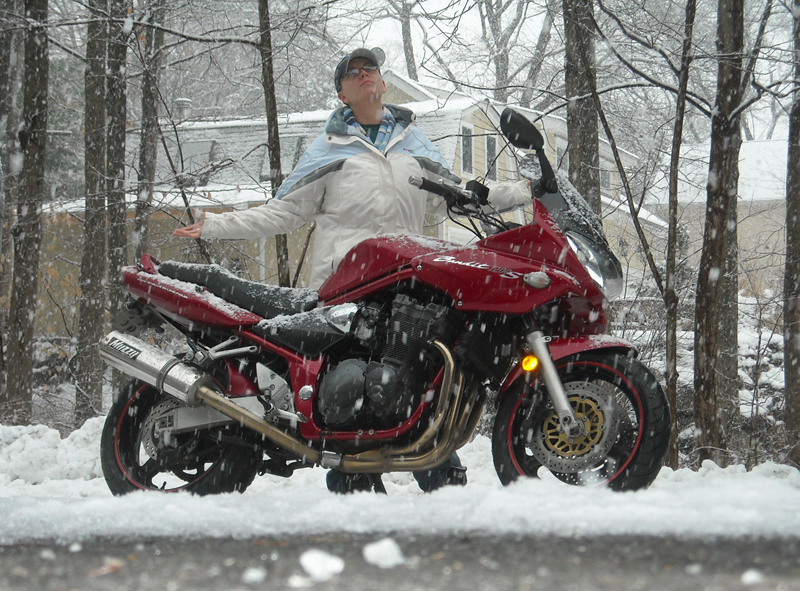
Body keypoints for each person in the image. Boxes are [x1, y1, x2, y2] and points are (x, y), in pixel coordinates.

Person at [174, 47, 531, 493]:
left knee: (418, 379)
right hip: (346, 288)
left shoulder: (414, 146)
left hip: (407, 285)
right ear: (341, 93)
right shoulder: (328, 149)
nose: (365, 76)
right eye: (354, 73)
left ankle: (441, 478)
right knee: (353, 390)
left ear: (382, 84)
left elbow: (463, 194)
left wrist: (525, 191)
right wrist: (215, 224)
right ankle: (356, 483)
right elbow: (282, 213)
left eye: (372, 70)